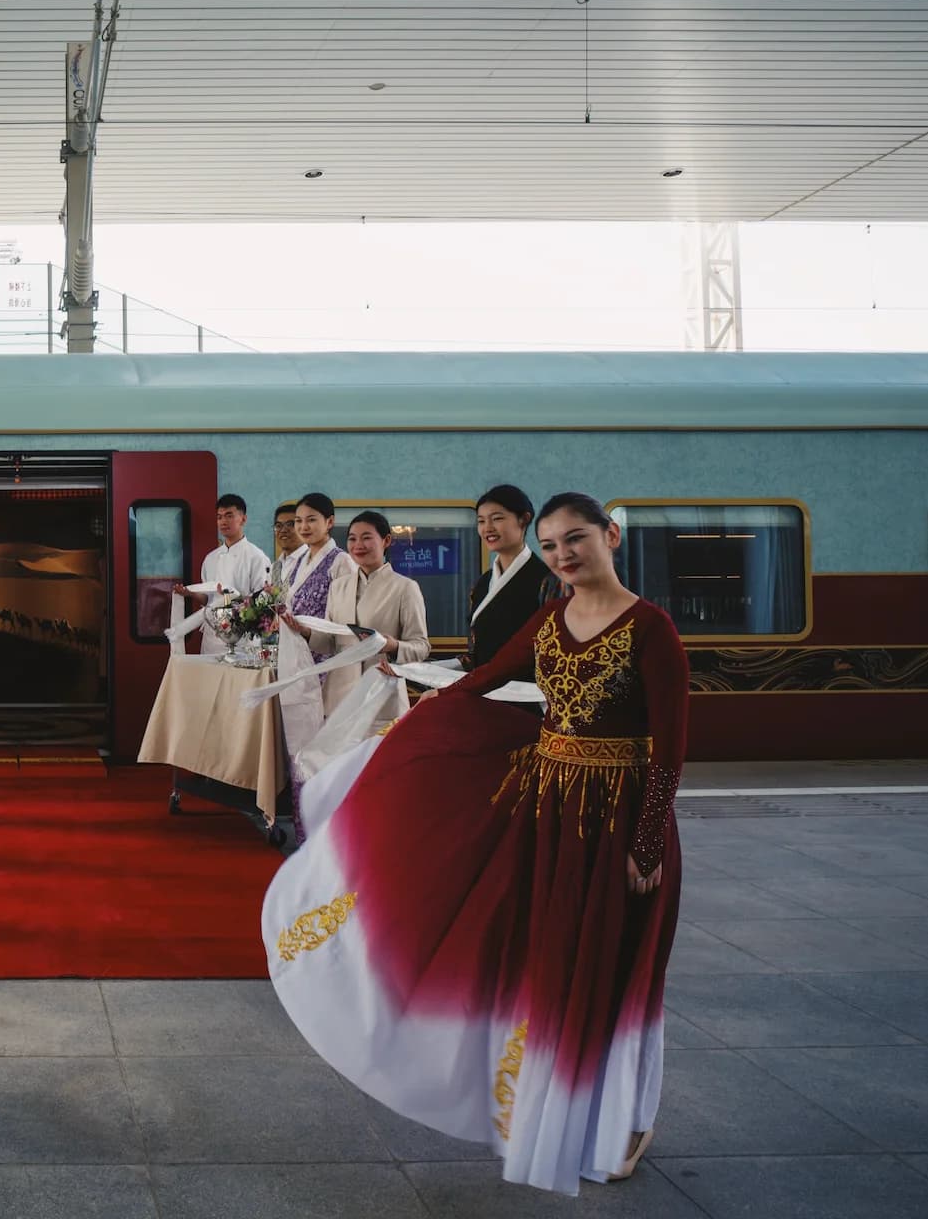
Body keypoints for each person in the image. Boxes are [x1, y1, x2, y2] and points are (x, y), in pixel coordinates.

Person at [260, 492, 689, 1195]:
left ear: (610, 536)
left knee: (617, 967)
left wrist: (647, 845)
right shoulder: (550, 617)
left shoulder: (652, 630)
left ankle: (627, 1118)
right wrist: (413, 723)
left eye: (575, 539)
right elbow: (485, 679)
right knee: (551, 959)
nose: (563, 556)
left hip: (619, 821)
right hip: (548, 809)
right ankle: (561, 1112)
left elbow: (670, 750)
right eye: (551, 546)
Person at [288, 510, 431, 729]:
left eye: (366, 538)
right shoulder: (339, 587)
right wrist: (306, 632)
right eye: (352, 539)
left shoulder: (405, 588)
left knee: (374, 762)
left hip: (381, 696)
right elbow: (331, 642)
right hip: (338, 698)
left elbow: (421, 647)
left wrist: (393, 646)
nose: (358, 545)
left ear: (386, 540)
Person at [467, 484, 556, 669]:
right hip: (483, 689)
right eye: (481, 521)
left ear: (524, 519)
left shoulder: (548, 581)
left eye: (497, 519)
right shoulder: (482, 584)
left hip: (529, 693)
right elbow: (476, 655)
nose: (487, 528)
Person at [174, 492, 272, 652]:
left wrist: (234, 600)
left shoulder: (257, 557)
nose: (223, 521)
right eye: (219, 517)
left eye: (229, 516)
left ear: (243, 519)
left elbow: (262, 602)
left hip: (243, 638)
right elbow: (209, 599)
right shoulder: (211, 558)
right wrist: (190, 594)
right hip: (213, 636)